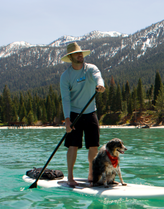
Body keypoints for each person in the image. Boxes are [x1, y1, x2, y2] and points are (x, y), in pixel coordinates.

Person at [60, 42, 105, 187]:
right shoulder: (66, 77)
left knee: (93, 146)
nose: (80, 55)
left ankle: (92, 175)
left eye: (81, 53)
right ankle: (70, 177)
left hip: (90, 112)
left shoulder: (91, 68)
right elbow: (66, 99)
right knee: (73, 146)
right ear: (71, 57)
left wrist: (100, 84)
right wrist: (67, 120)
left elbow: (98, 76)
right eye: (77, 54)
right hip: (74, 114)